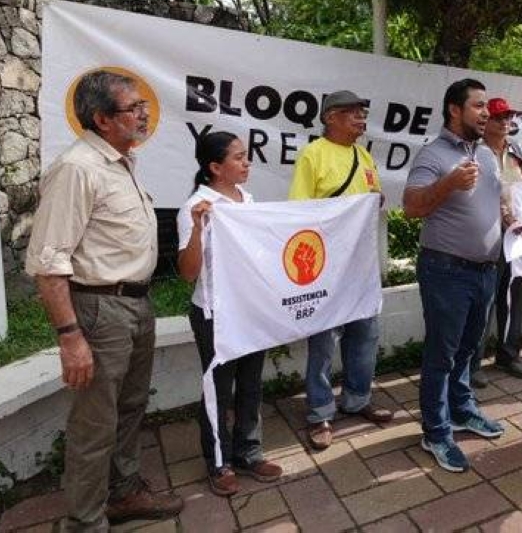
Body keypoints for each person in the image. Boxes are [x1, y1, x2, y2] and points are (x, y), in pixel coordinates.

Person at [25, 70, 183, 530]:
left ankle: (124, 494)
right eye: (133, 107)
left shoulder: (120, 161)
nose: (144, 113)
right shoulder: (78, 168)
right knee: (94, 425)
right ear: (101, 118)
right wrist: (70, 336)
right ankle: (85, 521)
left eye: (144, 106)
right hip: (99, 310)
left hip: (135, 303)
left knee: (130, 407)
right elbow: (49, 261)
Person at [403, 78, 505, 473]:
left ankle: (462, 411)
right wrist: (448, 184)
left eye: (487, 107)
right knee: (442, 355)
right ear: (454, 110)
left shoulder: (488, 153)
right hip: (446, 270)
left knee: (468, 349)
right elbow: (411, 207)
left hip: (484, 271)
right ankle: (436, 431)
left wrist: (506, 214)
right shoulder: (433, 154)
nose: (486, 114)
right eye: (478, 106)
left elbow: (492, 199)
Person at [176, 131, 283, 497]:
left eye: (246, 156)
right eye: (238, 158)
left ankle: (249, 451)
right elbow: (188, 272)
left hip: (249, 309)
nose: (246, 163)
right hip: (214, 314)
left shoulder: (247, 200)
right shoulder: (197, 206)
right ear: (215, 167)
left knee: (251, 384)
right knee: (219, 390)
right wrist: (197, 229)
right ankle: (218, 461)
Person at [289, 90, 394, 451]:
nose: (361, 118)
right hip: (326, 266)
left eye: (362, 112)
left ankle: (357, 399)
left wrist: (375, 201)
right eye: (351, 112)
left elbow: (372, 199)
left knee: (365, 334)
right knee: (322, 341)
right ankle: (320, 412)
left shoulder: (363, 155)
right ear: (330, 117)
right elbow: (300, 212)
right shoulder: (313, 155)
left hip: (360, 265)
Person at [469, 97, 522, 387]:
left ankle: (508, 354)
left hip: (514, 232)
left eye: (509, 117)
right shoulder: (476, 151)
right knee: (486, 297)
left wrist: (521, 217)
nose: (505, 122)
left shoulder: (515, 149)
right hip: (486, 232)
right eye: (499, 117)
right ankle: (473, 362)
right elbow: (473, 195)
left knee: (513, 292)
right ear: (486, 121)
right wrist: (501, 214)